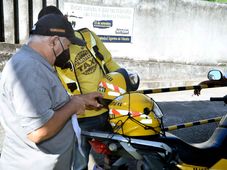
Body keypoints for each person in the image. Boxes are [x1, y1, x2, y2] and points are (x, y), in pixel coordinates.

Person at [0, 14, 103, 170]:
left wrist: (81, 99)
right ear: (54, 41)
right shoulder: (30, 68)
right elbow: (37, 131)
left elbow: (47, 101)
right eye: (67, 46)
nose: (68, 52)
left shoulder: (34, 62)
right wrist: (73, 106)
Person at [37, 6, 126, 170]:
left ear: (64, 18)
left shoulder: (87, 36)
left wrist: (123, 83)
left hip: (109, 107)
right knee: (78, 163)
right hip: (78, 117)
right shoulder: (47, 52)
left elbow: (108, 62)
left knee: (118, 153)